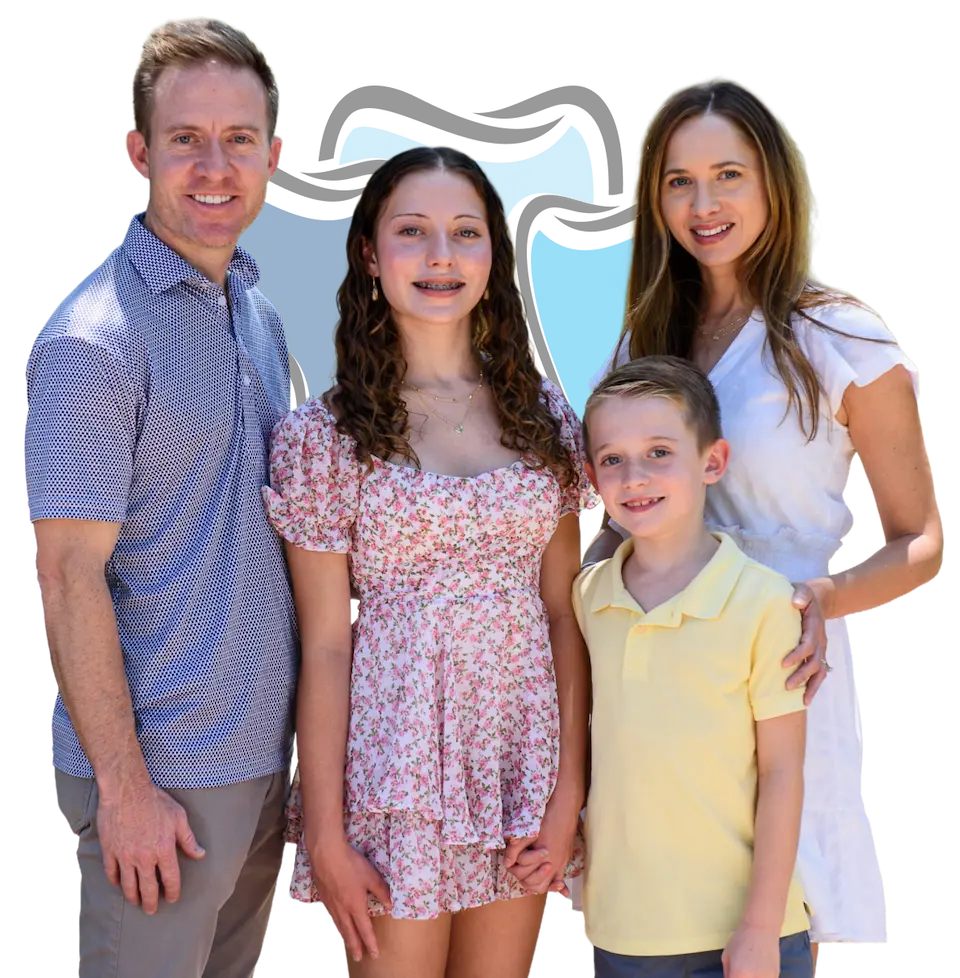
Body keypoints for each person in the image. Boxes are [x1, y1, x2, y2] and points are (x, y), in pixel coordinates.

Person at [580, 75, 944, 971]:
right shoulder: (644, 340)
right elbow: (614, 522)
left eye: (728, 175)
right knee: (661, 918)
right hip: (660, 675)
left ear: (774, 183)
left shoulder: (842, 336)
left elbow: (922, 539)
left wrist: (824, 598)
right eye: (677, 181)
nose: (703, 204)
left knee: (775, 926)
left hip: (785, 659)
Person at [261, 144, 597, 978]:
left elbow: (563, 613)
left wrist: (566, 798)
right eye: (413, 232)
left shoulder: (544, 416)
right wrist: (328, 836)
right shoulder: (324, 437)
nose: (441, 256)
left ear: (494, 256)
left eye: (465, 233)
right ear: (371, 254)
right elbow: (328, 646)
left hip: (517, 767)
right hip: (394, 777)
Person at [25, 16, 295, 978]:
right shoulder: (93, 341)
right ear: (138, 152)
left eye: (238, 139)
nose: (213, 165)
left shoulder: (256, 313)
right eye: (185, 139)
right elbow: (65, 574)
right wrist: (125, 788)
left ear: (274, 155)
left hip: (262, 766)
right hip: (165, 786)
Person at [577, 355, 811, 977]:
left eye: (659, 452)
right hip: (626, 931)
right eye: (612, 459)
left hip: (747, 933)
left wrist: (761, 926)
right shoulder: (587, 596)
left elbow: (784, 772)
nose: (635, 476)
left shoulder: (764, 602)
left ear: (712, 461)